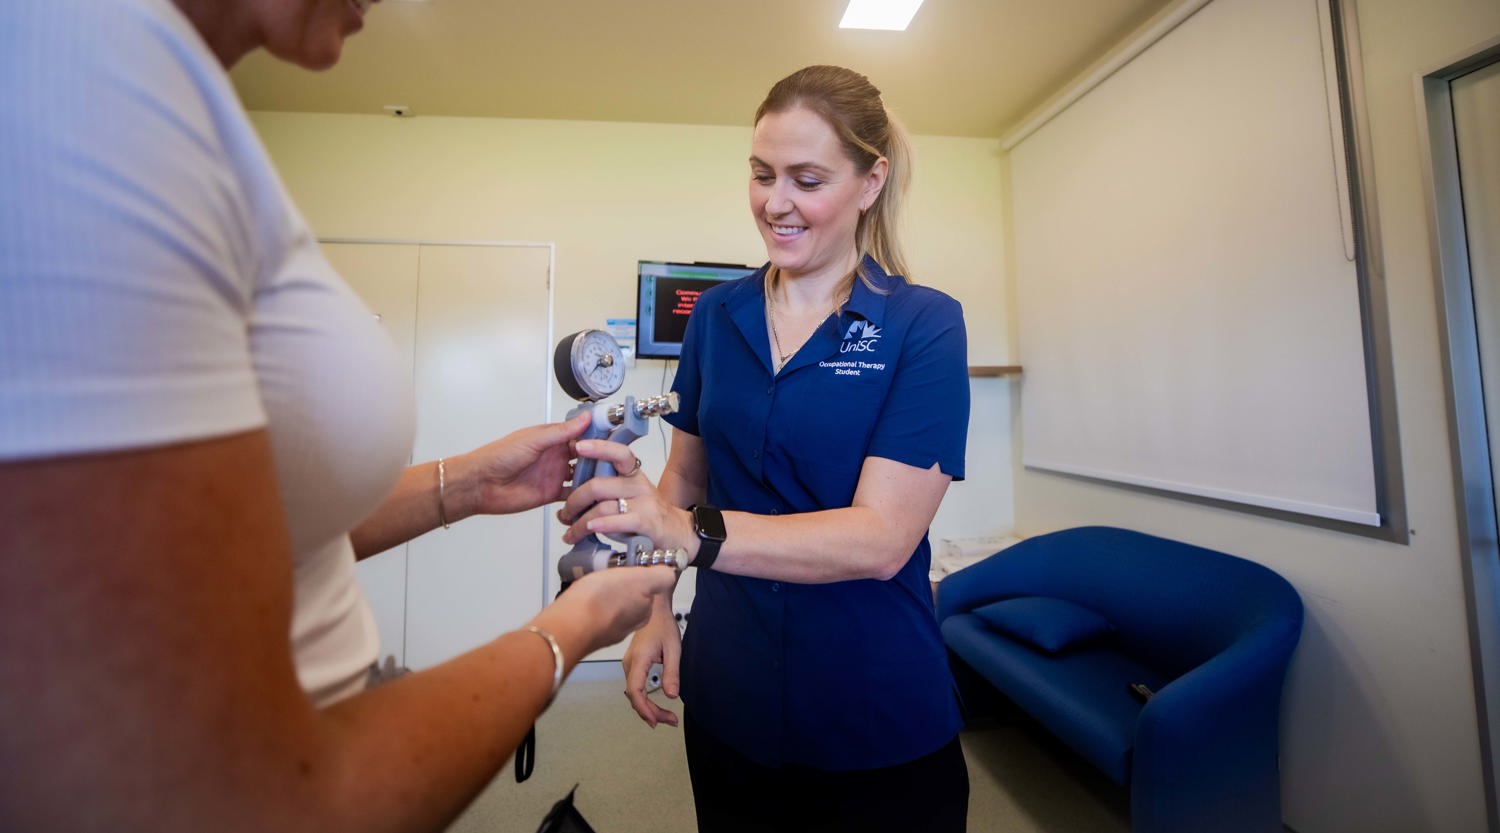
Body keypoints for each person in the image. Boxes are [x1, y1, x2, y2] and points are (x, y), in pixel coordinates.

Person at [0, 0, 675, 830]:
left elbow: (232, 544)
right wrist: (568, 629)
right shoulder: (72, 75)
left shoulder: (179, 99)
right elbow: (237, 790)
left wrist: (461, 484)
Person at [561, 65, 971, 831]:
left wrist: (683, 532)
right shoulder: (717, 316)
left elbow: (881, 539)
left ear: (870, 181)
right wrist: (657, 609)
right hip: (732, 691)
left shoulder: (923, 324)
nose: (775, 203)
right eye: (761, 174)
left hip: (875, 709)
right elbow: (682, 477)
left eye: (807, 179)